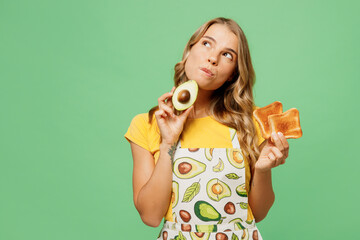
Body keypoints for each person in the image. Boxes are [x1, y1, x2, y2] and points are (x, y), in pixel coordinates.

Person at [124, 17, 289, 240]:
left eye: (227, 55)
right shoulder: (148, 124)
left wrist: (262, 169)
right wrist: (168, 144)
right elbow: (151, 216)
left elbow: (258, 213)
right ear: (188, 52)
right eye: (206, 43)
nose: (213, 58)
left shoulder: (251, 122)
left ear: (233, 73)